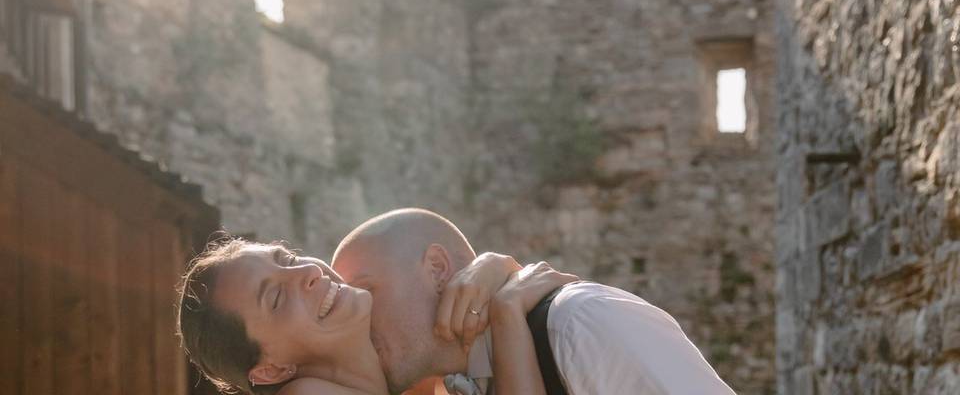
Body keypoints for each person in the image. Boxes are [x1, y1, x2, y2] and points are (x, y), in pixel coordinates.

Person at [332, 208, 738, 394]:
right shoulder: (455, 386)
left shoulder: (580, 324)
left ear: (437, 269)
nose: (357, 316)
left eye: (367, 291)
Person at [176, 236, 574, 395]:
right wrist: (507, 315)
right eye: (276, 297)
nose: (308, 273)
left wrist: (491, 267)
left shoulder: (400, 372)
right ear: (271, 370)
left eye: (289, 258)